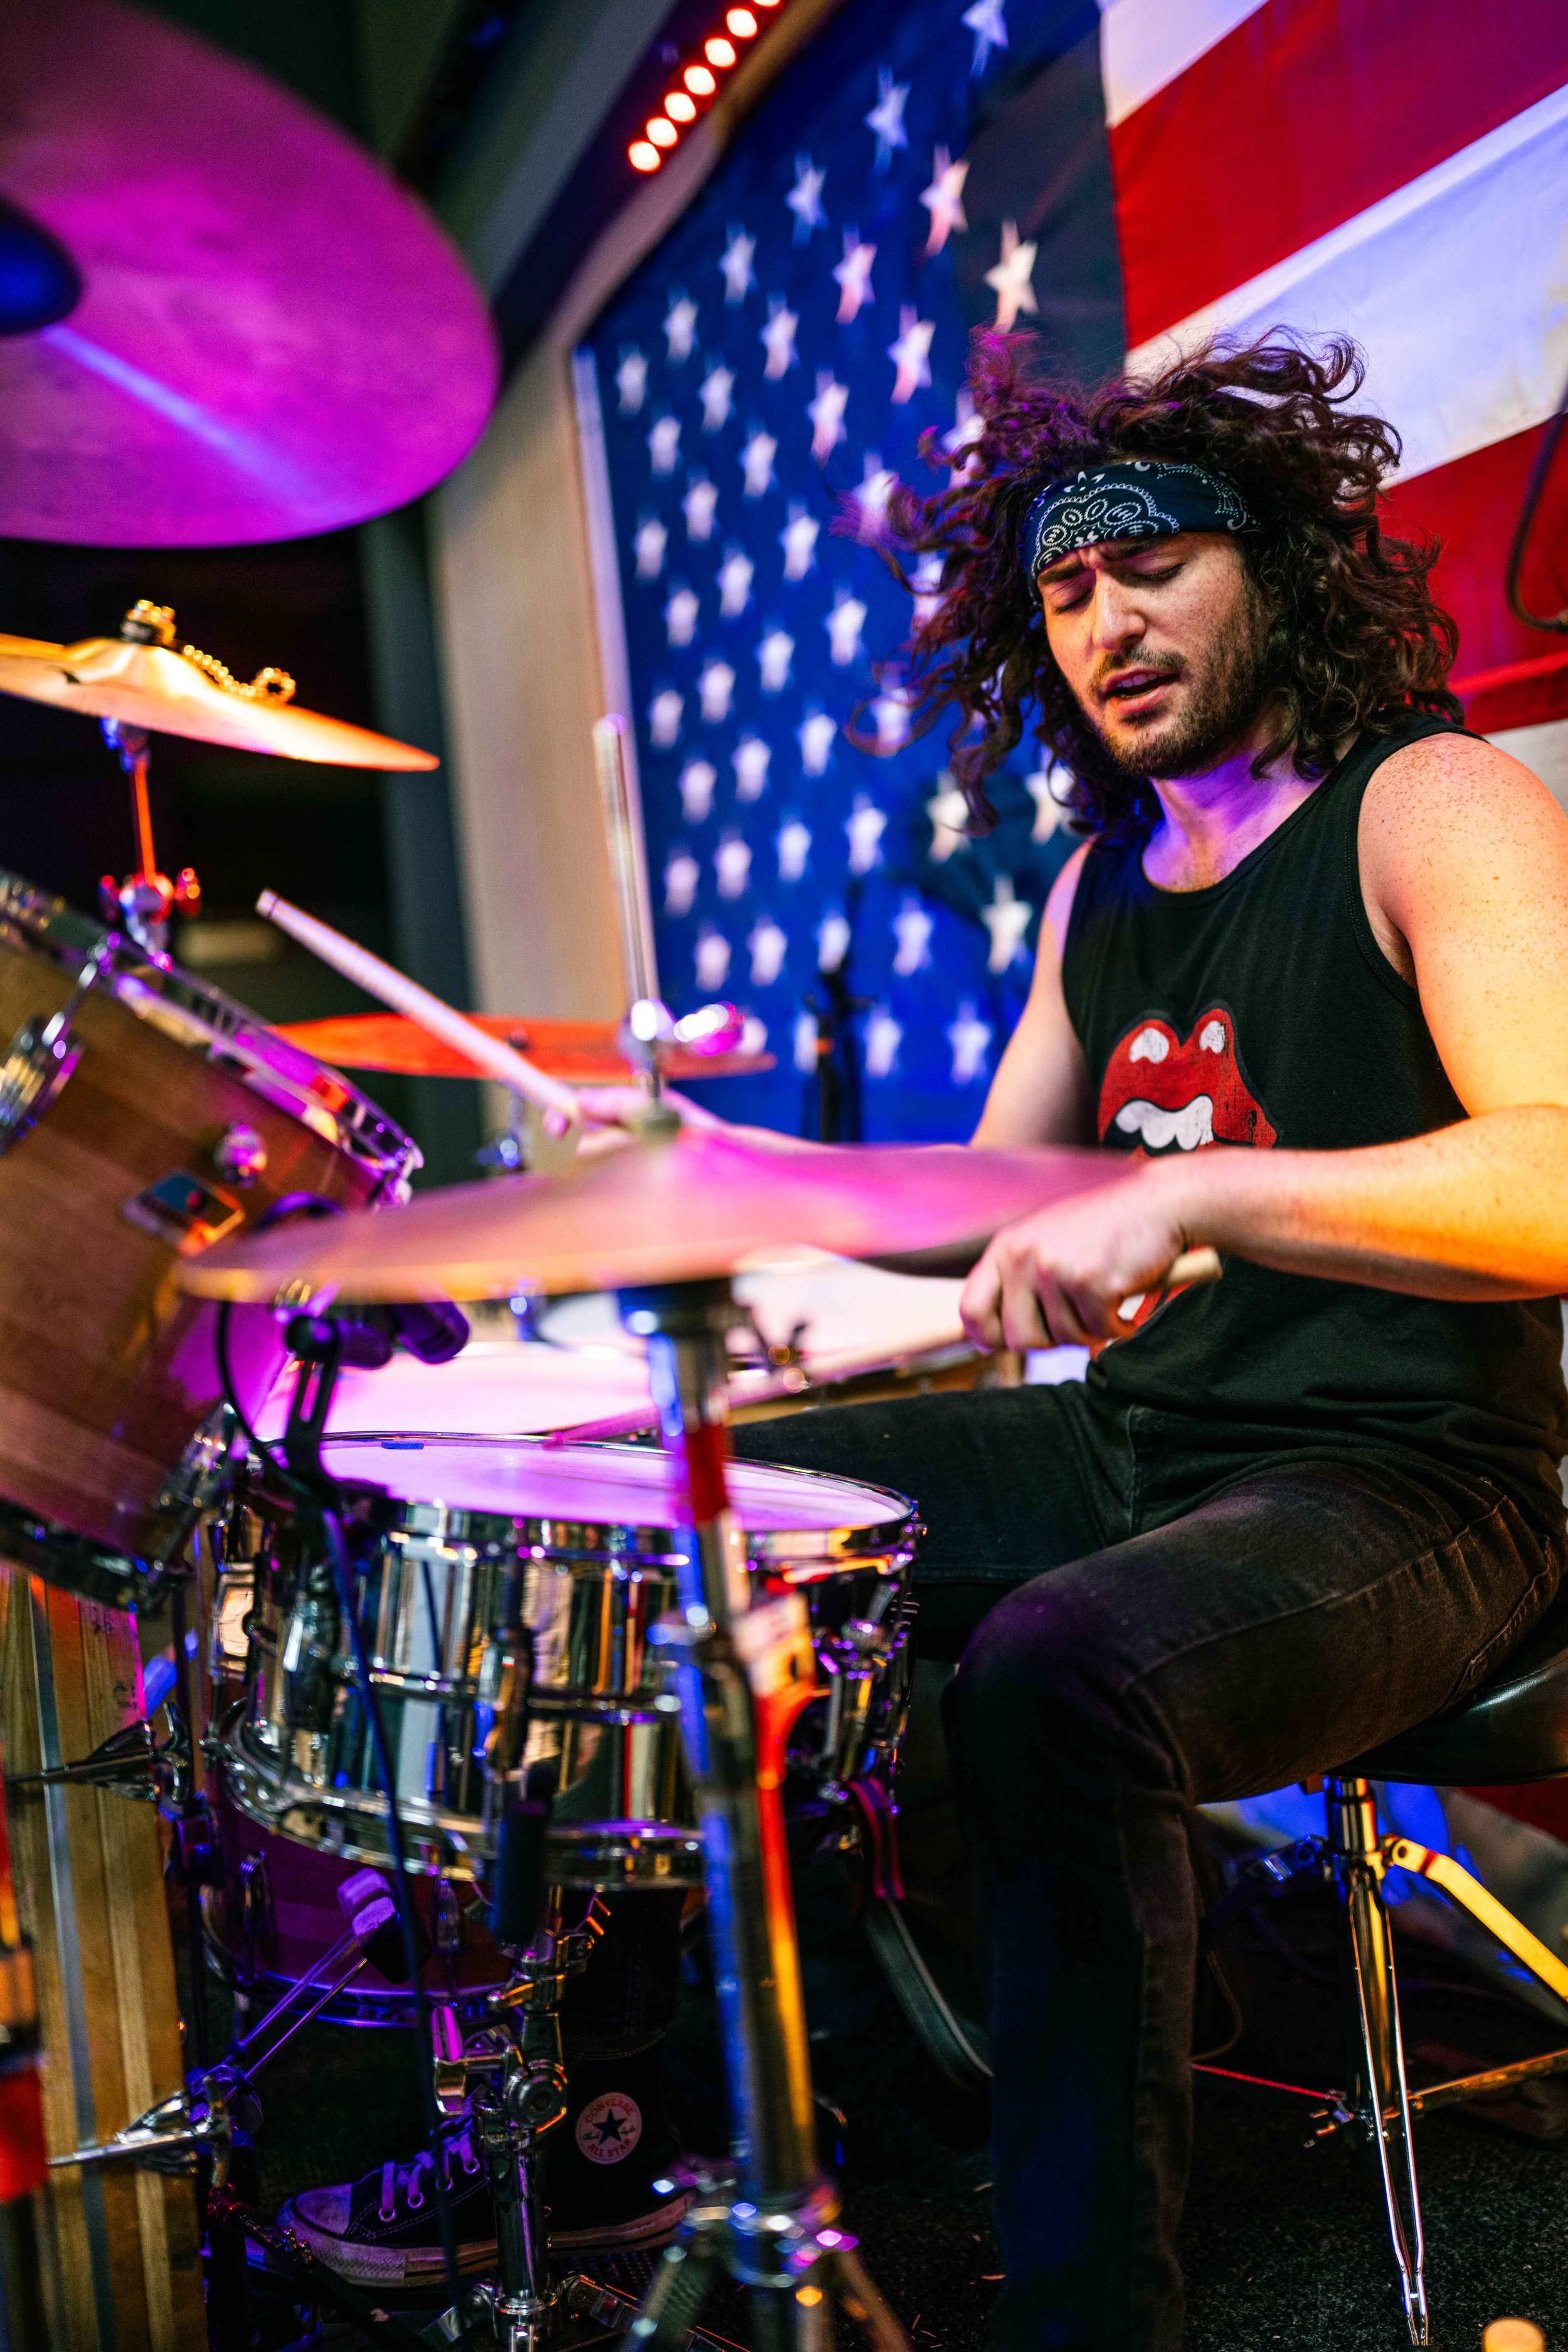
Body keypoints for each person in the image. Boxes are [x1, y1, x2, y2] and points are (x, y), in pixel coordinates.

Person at [568, 331, 1568, 2349]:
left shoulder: (1426, 805)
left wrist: (1197, 1193)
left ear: (1275, 565)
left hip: (1417, 1485)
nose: (1104, 622)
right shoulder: (1094, 886)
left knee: (1053, 1675)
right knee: (710, 1529)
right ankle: (838, 2111)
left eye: (1150, 566)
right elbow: (985, 1229)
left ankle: (1086, 2314)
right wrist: (747, 1208)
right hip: (1141, 1451)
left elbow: (1551, 1189)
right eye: (1061, 592)